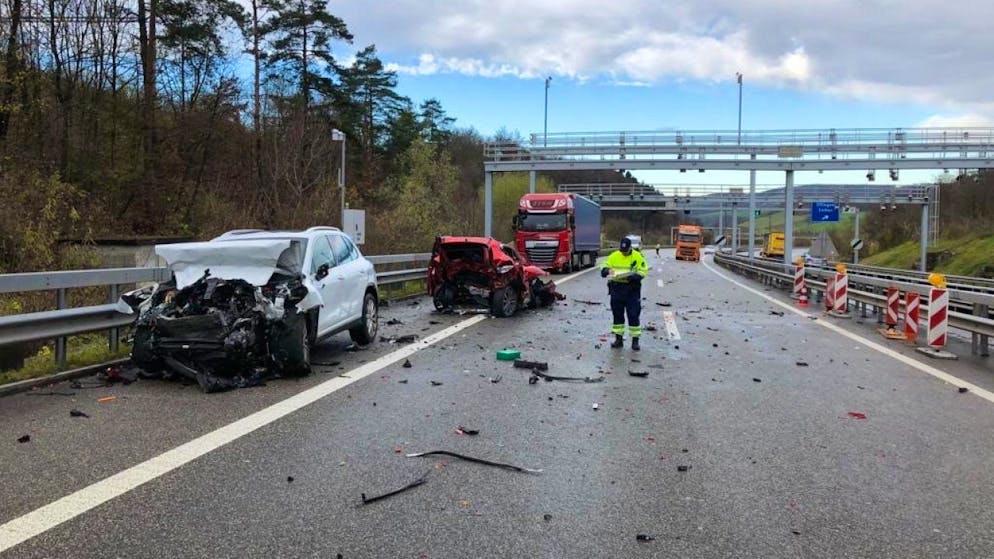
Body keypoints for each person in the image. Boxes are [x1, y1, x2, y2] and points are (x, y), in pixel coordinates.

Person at [600, 236, 648, 350]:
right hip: (617, 289)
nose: (624, 253)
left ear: (630, 248)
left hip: (632, 290)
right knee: (617, 315)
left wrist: (634, 276)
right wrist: (607, 271)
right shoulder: (614, 256)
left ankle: (635, 341)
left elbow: (643, 270)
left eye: (626, 251)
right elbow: (603, 267)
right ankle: (618, 339)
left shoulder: (637, 256)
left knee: (633, 315)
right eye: (622, 250)